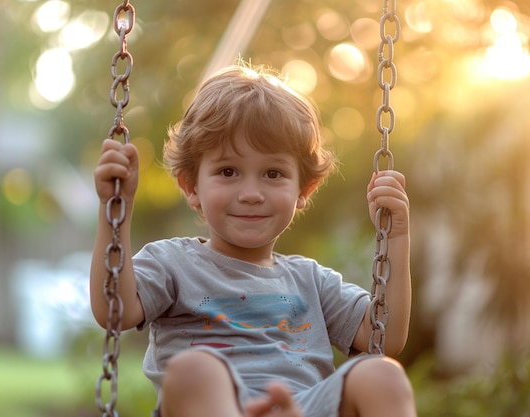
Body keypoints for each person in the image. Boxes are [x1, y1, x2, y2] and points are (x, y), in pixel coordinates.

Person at [90, 63, 416, 417]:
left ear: (303, 190)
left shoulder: (311, 281)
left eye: (273, 173)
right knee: (194, 369)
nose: (250, 193)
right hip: (213, 407)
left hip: (301, 408)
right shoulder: (173, 263)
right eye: (228, 171)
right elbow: (113, 310)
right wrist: (114, 211)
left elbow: (383, 337)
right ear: (191, 185)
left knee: (381, 374)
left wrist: (396, 236)